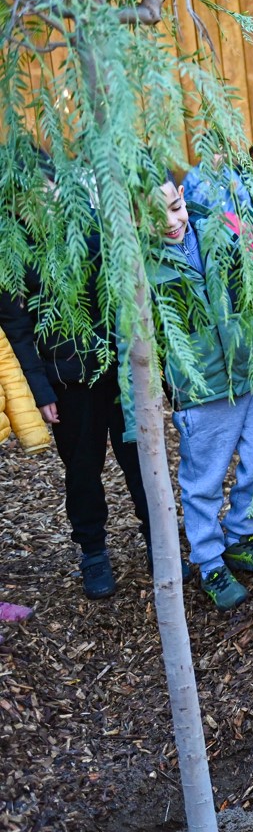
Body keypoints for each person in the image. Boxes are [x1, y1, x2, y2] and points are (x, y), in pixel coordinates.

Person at [0, 157, 151, 600]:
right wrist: (41, 391)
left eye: (47, 192)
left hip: (117, 375)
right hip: (67, 384)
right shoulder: (12, 255)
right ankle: (93, 552)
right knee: (83, 471)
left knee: (139, 465)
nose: (41, 204)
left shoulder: (93, 231)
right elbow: (19, 333)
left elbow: (126, 295)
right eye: (28, 199)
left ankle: (156, 539)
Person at [151, 177, 253, 611]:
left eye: (176, 207)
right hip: (202, 386)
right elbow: (135, 338)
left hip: (252, 369)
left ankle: (240, 537)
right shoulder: (143, 267)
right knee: (204, 480)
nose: (173, 221)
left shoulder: (215, 232)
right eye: (157, 215)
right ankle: (208, 560)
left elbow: (250, 282)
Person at [181, 151, 250, 216]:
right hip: (204, 224)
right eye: (209, 151)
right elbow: (186, 206)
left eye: (217, 153)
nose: (213, 156)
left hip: (229, 222)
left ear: (225, 154)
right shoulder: (194, 175)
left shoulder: (230, 173)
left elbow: (247, 203)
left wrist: (237, 191)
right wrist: (204, 187)